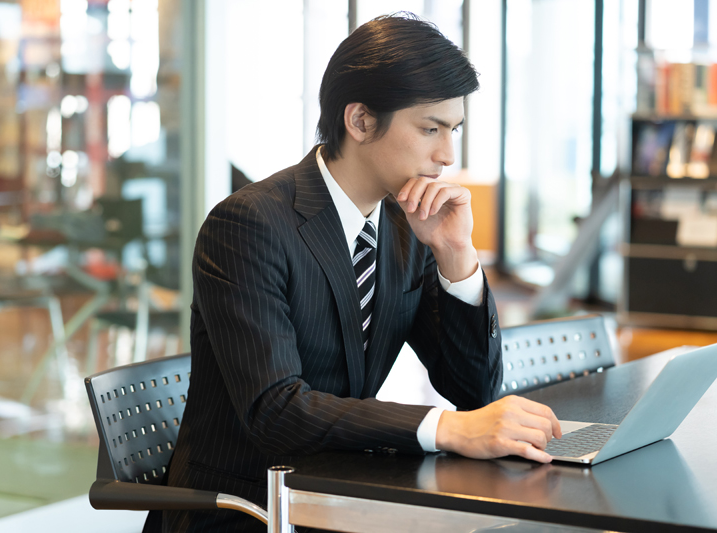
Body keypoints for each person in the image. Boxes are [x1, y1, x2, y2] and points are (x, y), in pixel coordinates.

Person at [155, 13, 561, 533]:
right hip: (244, 509)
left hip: (341, 496)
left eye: (453, 129)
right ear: (361, 121)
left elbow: (476, 390)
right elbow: (276, 411)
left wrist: (457, 255)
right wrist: (447, 428)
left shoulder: (405, 225)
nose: (447, 155)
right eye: (430, 129)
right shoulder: (250, 224)